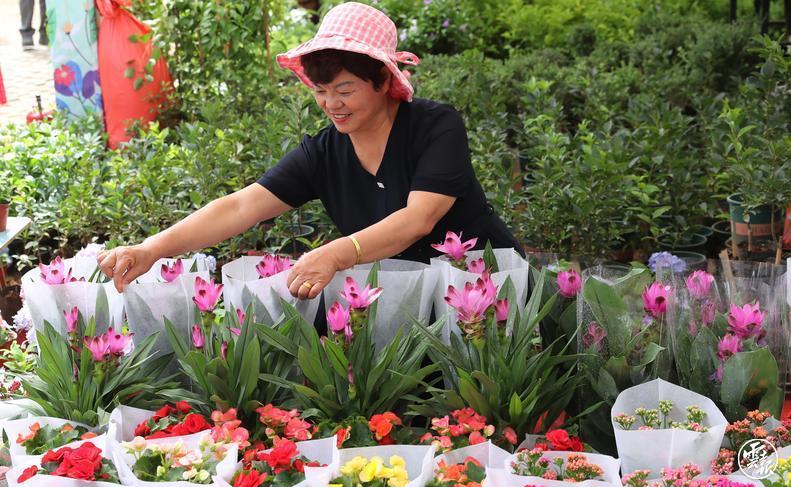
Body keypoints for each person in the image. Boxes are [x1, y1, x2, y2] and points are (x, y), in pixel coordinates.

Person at [97, 2, 523, 299]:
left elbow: (418, 219)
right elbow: (242, 206)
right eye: (321, 90)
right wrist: (152, 249)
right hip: (400, 300)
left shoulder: (435, 126)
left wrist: (336, 253)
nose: (331, 104)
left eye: (345, 90)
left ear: (382, 80)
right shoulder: (324, 152)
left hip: (482, 290)